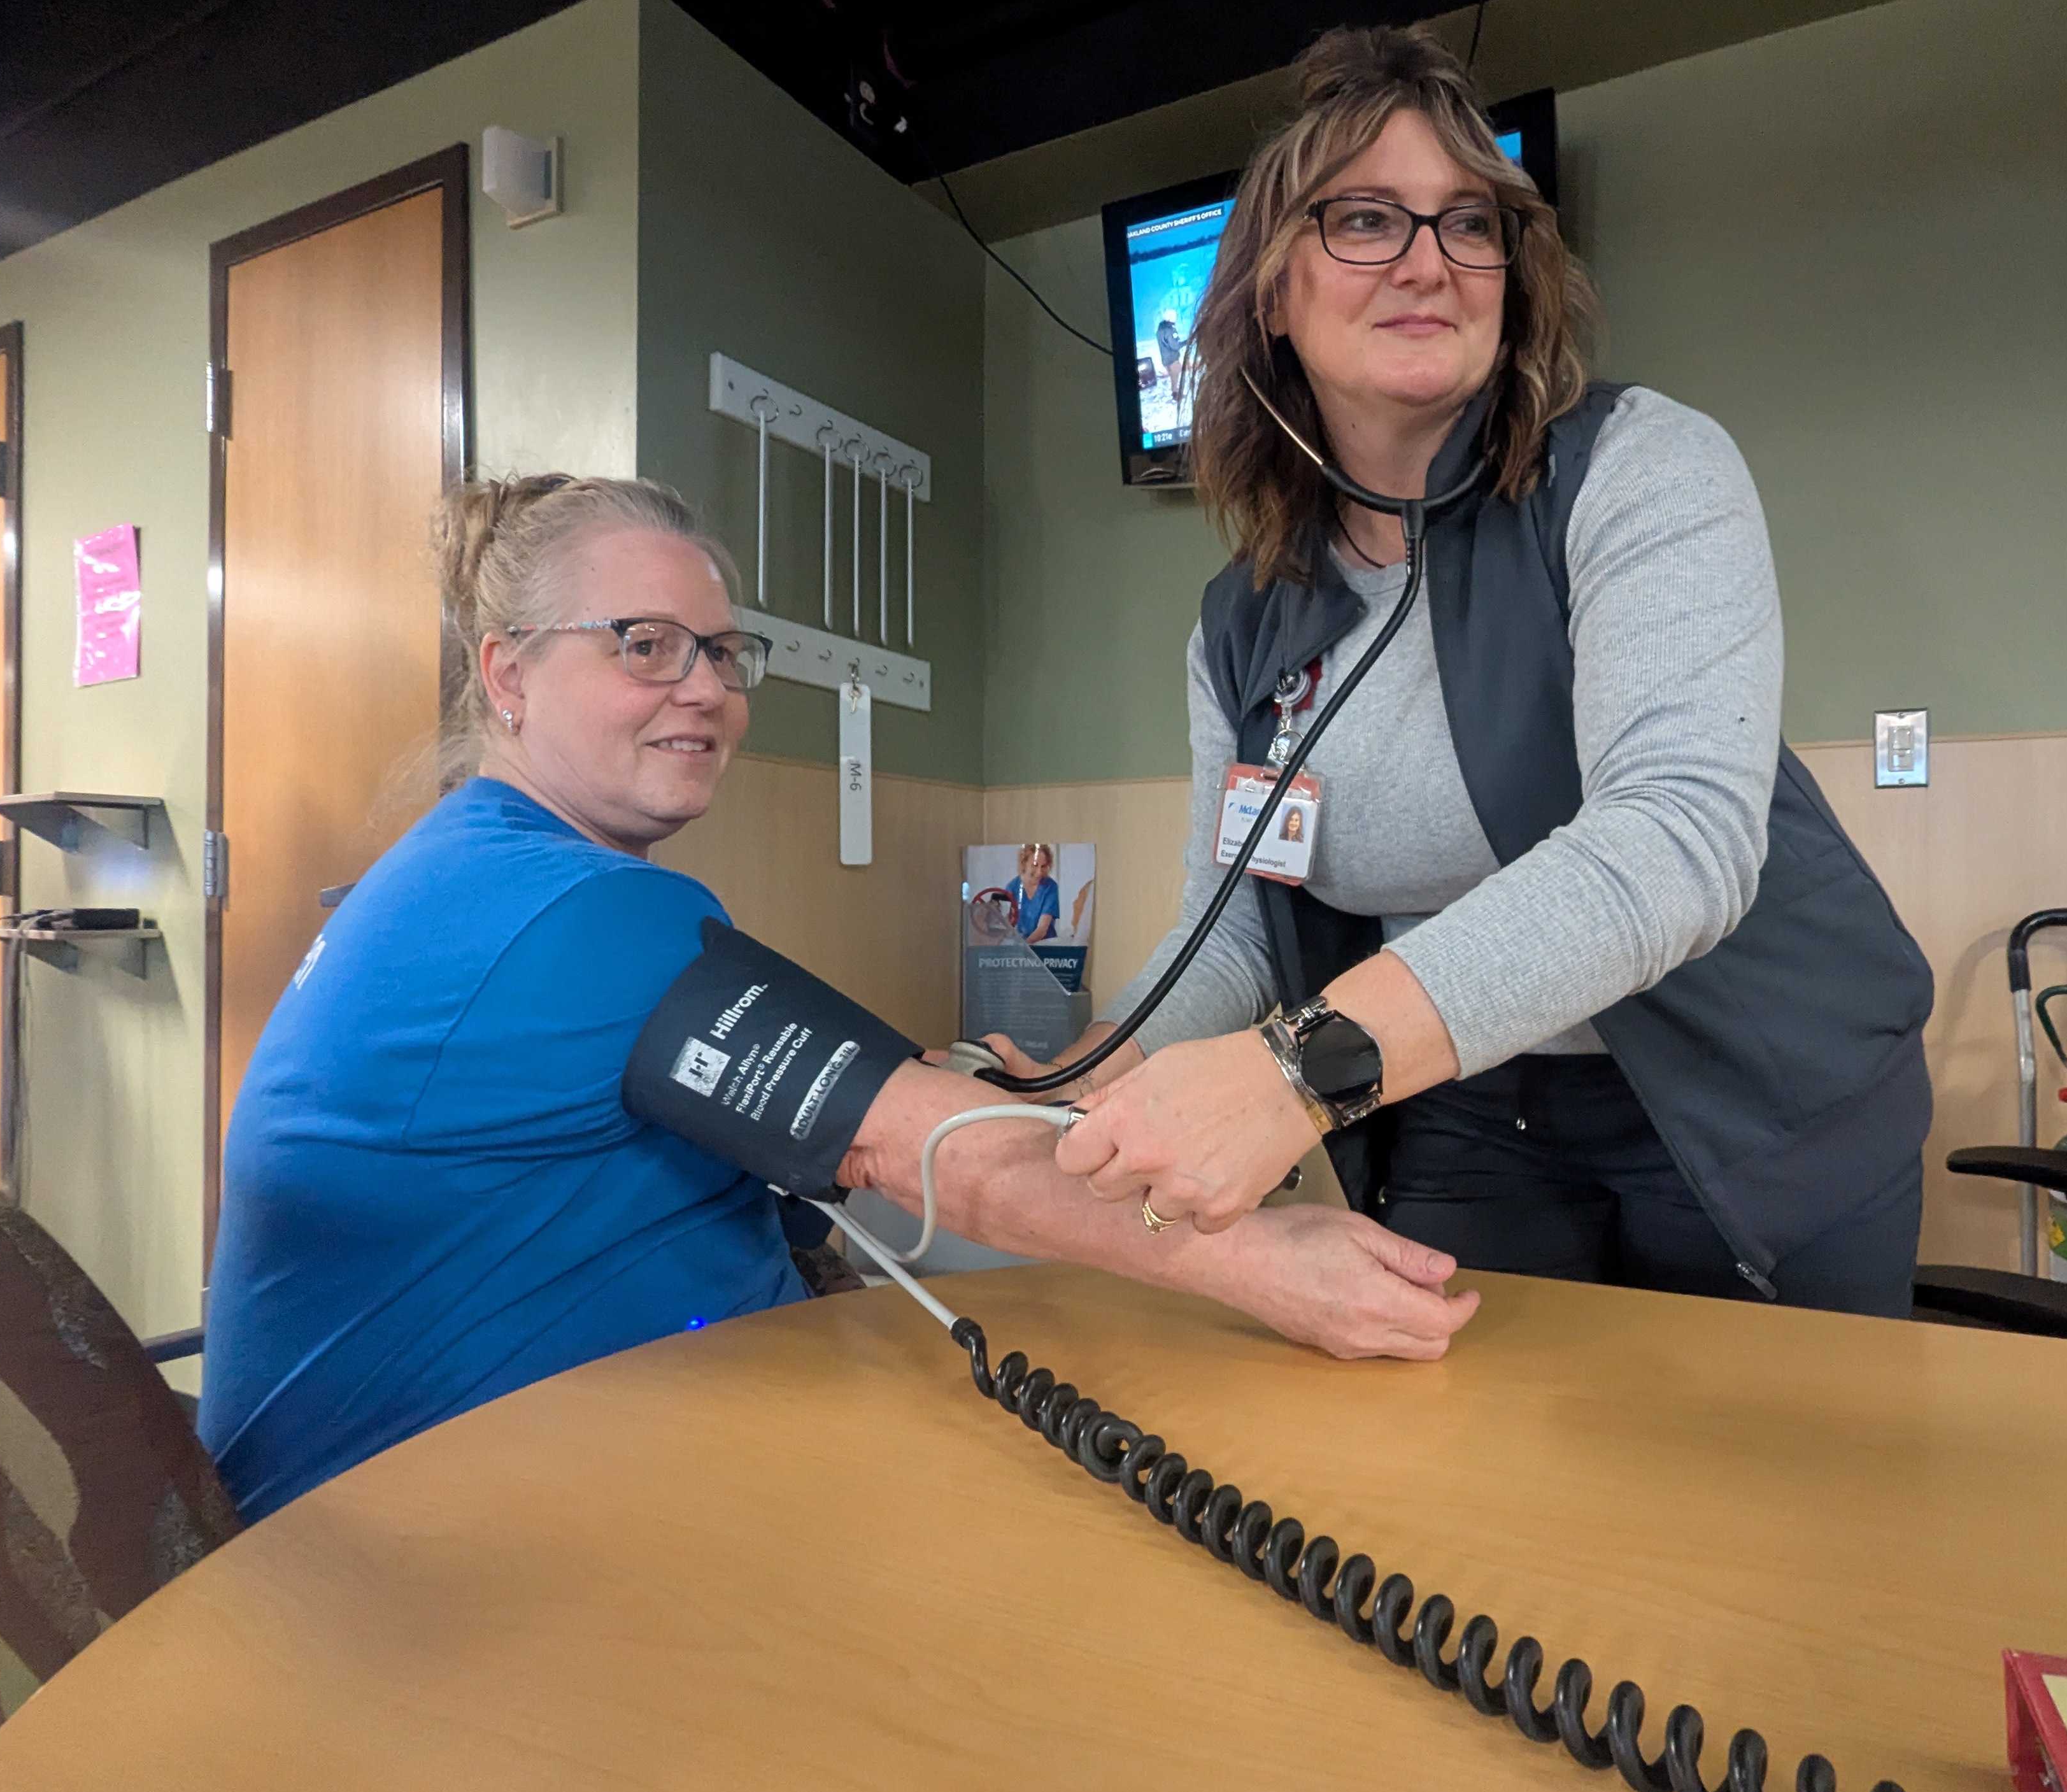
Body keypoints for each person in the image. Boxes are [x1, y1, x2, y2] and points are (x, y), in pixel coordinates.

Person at [200, 475, 1474, 1523]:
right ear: (509, 675)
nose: (705, 687)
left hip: (571, 1467)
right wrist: (1267, 1256)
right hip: (425, 1543)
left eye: (722, 652)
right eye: (644, 644)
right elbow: (925, 1155)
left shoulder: (467, 874)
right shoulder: (561, 909)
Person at [996, 27, 1935, 1314]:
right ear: (1270, 295)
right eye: (1365, 219)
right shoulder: (1239, 626)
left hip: (1757, 1090)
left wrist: (1295, 1072)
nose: (1429, 261)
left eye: (1470, 223)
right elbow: (1238, 929)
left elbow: (1676, 838)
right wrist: (1103, 1069)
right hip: (1468, 1106)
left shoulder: (1642, 468)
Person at [1009, 842, 1060, 943]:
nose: (1039, 872)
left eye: (1043, 866)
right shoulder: (1012, 887)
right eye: (1035, 865)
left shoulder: (1050, 887)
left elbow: (1042, 929)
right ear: (1024, 863)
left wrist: (1025, 948)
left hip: (1045, 944)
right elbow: (1007, 924)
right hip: (1021, 944)